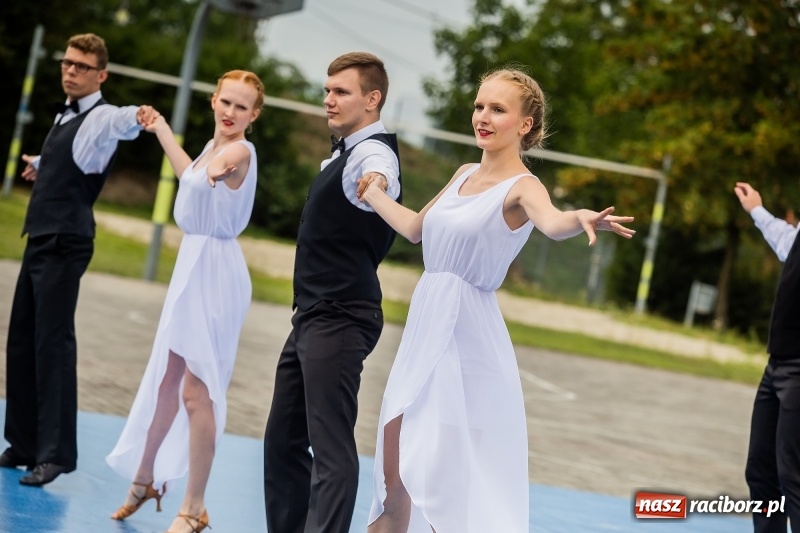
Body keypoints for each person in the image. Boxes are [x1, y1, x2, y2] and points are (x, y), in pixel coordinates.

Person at [359, 67, 635, 532]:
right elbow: (415, 229)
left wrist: (580, 217)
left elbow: (551, 222)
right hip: (424, 333)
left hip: (466, 342)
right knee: (393, 476)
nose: (483, 117)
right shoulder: (463, 172)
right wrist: (374, 193)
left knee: (445, 486)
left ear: (525, 125)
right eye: (480, 106)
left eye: (498, 109)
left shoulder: (524, 187)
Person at [105, 69, 264, 533]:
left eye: (242, 107)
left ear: (253, 115)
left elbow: (222, 167)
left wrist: (218, 169)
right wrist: (161, 132)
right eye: (226, 102)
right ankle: (143, 480)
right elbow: (191, 173)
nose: (231, 112)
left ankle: (193, 508)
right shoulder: (210, 150)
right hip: (191, 267)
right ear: (213, 101)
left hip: (216, 273)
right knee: (166, 383)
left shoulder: (239, 151)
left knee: (198, 393)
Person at [1, 32, 158, 487]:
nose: (71, 70)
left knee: (52, 345)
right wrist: (39, 161)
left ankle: (55, 455)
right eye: (67, 63)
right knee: (22, 343)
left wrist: (141, 116)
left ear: (101, 75)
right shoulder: (64, 115)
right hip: (40, 238)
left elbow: (122, 122)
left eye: (81, 66)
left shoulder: (103, 116)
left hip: (66, 242)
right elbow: (72, 161)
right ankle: (23, 443)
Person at [263, 51, 401, 533]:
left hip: (342, 315)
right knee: (282, 439)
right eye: (327, 90)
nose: (329, 100)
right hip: (313, 314)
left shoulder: (371, 153)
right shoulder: (338, 155)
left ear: (372, 98)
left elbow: (382, 171)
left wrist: (379, 184)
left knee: (331, 448)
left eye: (341, 91)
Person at [734, 181, 800, 533]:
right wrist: (757, 210)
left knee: (794, 478)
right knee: (761, 473)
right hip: (779, 362)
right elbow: (789, 244)